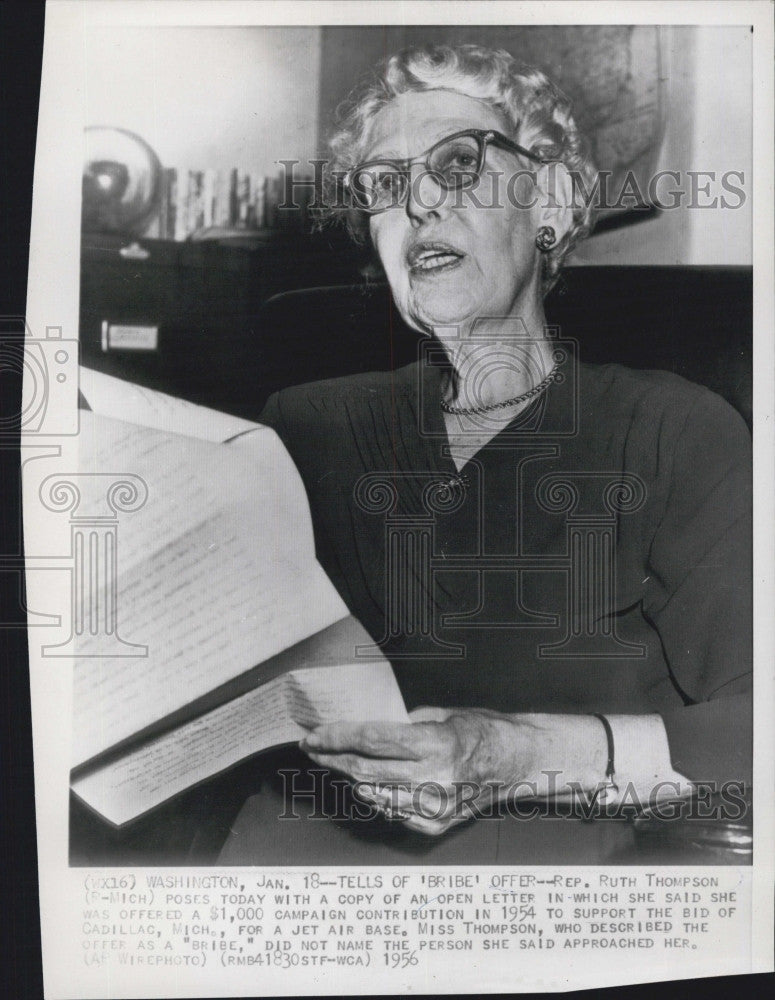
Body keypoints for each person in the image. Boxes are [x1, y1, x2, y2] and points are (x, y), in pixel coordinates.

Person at [252, 44, 751, 844]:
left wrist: (519, 755)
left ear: (549, 203)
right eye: (383, 184)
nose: (416, 205)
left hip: (566, 896)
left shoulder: (672, 434)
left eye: (455, 164)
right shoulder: (302, 432)